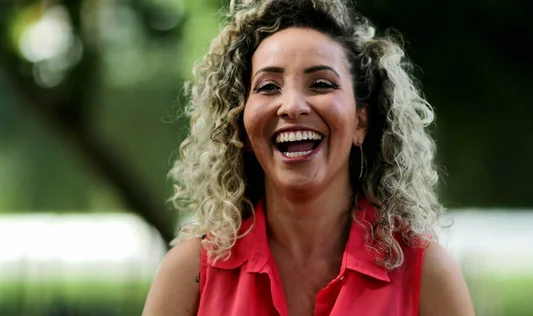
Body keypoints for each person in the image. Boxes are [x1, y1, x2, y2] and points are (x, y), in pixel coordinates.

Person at [143, 0, 474, 315]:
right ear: (241, 127)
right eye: (269, 87)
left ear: (361, 122)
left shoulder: (424, 272)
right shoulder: (191, 273)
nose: (292, 106)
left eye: (320, 84)